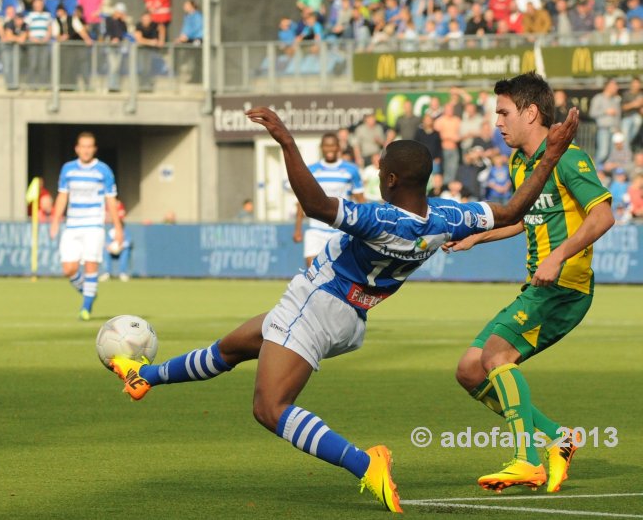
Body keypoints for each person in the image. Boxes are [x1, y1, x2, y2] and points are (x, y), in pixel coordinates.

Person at [105, 104, 578, 514]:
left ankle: (364, 463)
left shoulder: (380, 219)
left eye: (379, 168)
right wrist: (550, 155)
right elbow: (515, 209)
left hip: (319, 302)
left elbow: (314, 205)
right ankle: (147, 375)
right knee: (233, 347)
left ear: (390, 179)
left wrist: (286, 142)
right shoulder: (448, 216)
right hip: (349, 318)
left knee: (270, 409)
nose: (375, 172)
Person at [445, 72, 614, 494]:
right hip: (538, 285)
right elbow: (524, 218)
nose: (497, 123)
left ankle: (526, 460)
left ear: (531, 111)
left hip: (565, 285)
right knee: (469, 370)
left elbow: (603, 215)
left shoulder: (569, 159)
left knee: (497, 355)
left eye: (503, 113)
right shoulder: (522, 162)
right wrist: (478, 236)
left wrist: (559, 256)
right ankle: (561, 438)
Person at [49, 132, 123, 321]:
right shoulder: (68, 169)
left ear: (94, 149)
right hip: (73, 224)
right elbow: (62, 196)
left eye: (90, 146)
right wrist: (55, 220)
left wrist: (118, 228)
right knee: (68, 269)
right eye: (83, 146)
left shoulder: (103, 170)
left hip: (94, 225)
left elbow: (111, 200)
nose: (86, 150)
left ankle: (86, 308)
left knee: (91, 265)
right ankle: (89, 292)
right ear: (77, 148)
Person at [294, 132, 364, 268]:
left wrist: (363, 228)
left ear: (338, 147)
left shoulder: (351, 170)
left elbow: (361, 200)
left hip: (341, 229)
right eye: (326, 146)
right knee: (311, 271)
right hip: (316, 229)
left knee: (341, 272)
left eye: (333, 146)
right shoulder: (312, 170)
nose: (329, 149)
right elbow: (302, 201)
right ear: (321, 148)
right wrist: (297, 229)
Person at [101, 198, 131, 282]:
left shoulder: (125, 231)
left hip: (122, 250)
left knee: (126, 251)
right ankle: (107, 273)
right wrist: (109, 247)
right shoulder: (111, 231)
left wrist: (121, 246)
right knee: (105, 251)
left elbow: (128, 242)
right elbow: (106, 242)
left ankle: (123, 273)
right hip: (111, 250)